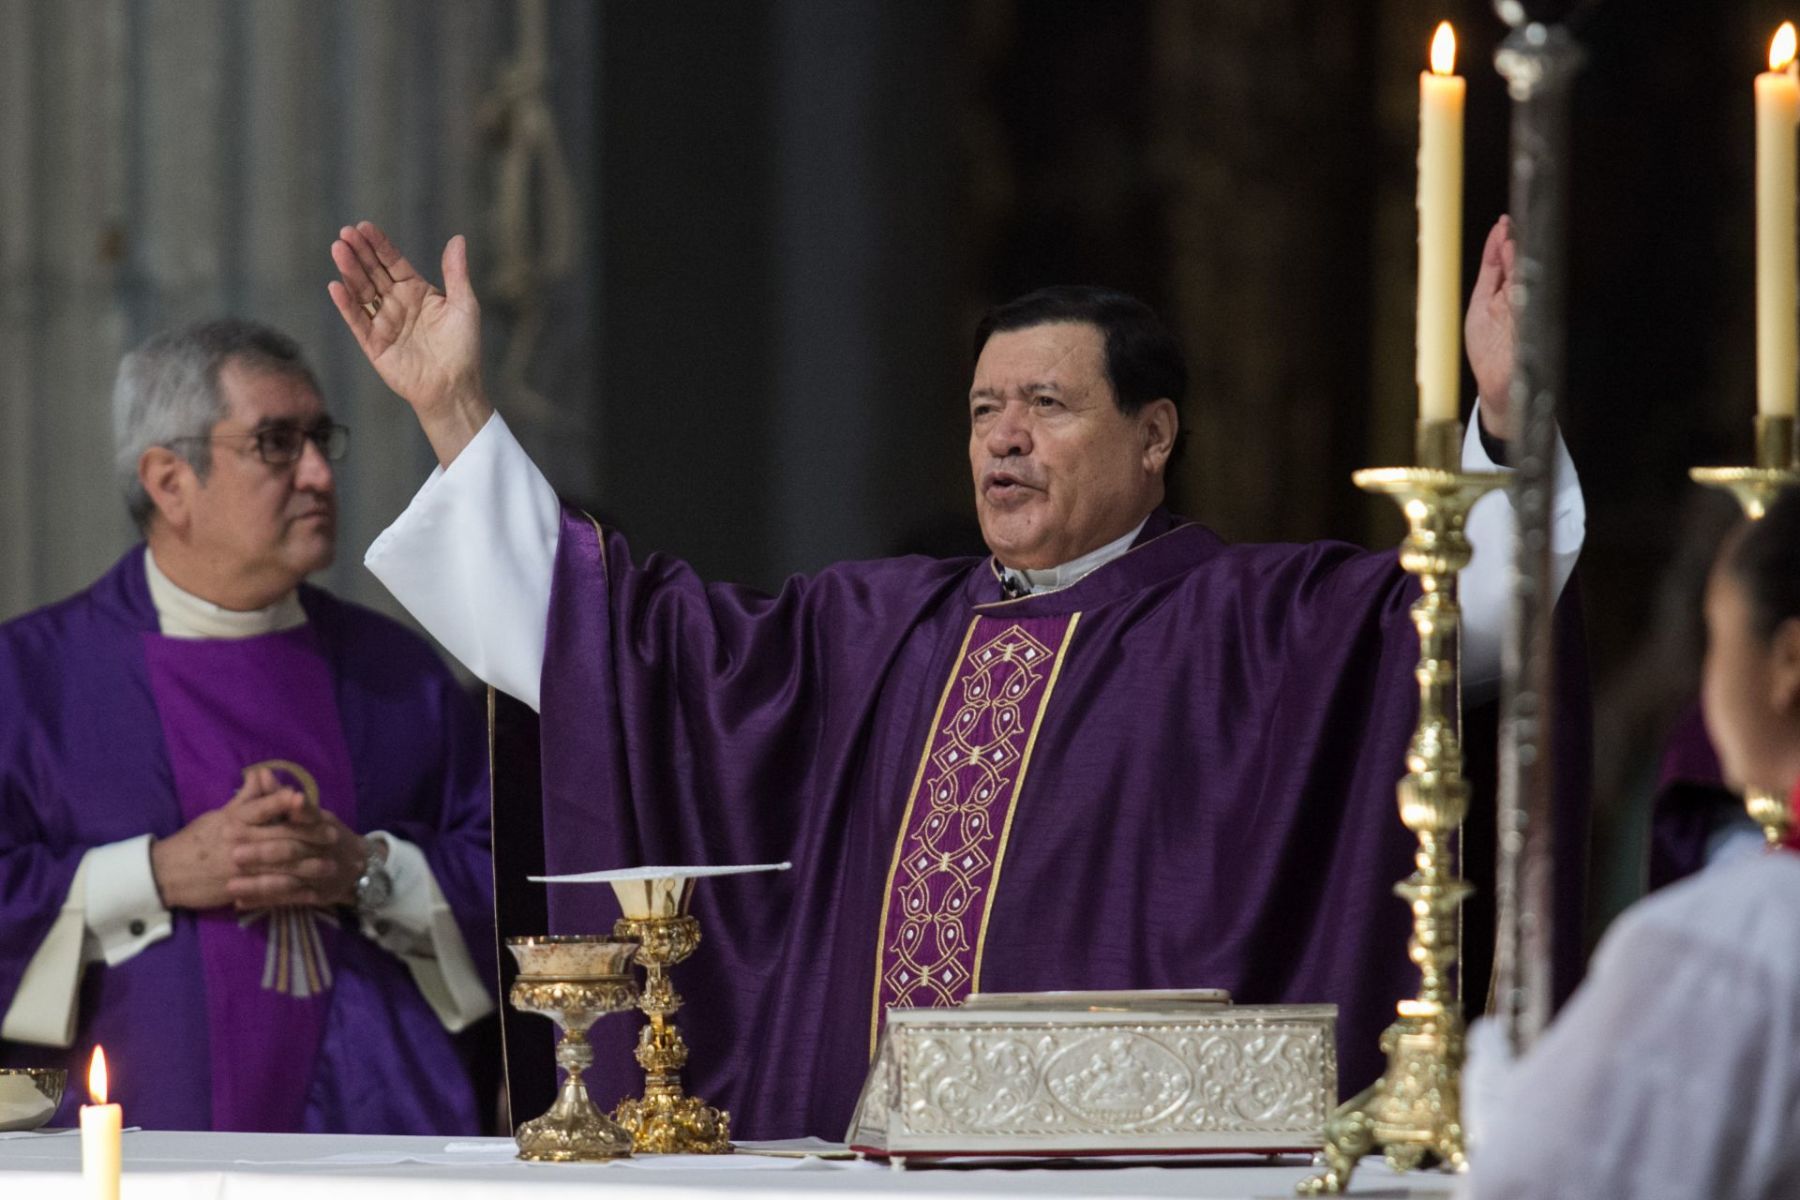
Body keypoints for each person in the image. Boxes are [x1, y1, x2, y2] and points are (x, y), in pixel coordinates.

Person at [329, 216, 1586, 1139]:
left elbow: (1468, 618)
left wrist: (1509, 419)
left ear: (1155, 437)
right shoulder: (873, 626)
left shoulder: (1259, 622)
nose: (1005, 436)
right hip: (862, 1152)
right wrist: (456, 417)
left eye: (1047, 402)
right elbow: (626, 649)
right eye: (985, 407)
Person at [0, 320, 495, 1134]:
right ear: (168, 481)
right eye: (275, 443)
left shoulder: (395, 677)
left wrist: (367, 870)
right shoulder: (35, 680)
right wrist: (156, 875)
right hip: (135, 1138)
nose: (318, 474)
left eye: (319, 439)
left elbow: (518, 883)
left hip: (385, 1140)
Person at [1466, 490, 1800, 1200]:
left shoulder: (1729, 946)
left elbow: (1542, 1182)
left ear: (1789, 659)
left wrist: (1495, 1079)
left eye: (1718, 637)